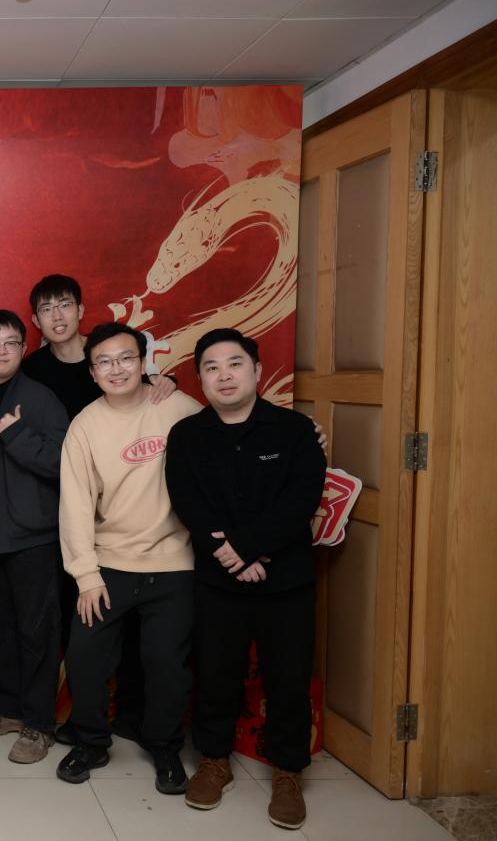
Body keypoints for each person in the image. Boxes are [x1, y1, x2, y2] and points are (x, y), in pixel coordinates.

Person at [165, 328, 326, 831]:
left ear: (256, 370)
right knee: (215, 674)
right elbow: (188, 501)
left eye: (234, 364)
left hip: (286, 580)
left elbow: (301, 500)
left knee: (288, 678)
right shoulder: (187, 435)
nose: (224, 376)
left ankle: (288, 771)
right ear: (201, 379)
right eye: (211, 368)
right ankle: (214, 761)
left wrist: (248, 547)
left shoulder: (296, 431)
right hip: (219, 580)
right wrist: (231, 556)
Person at [21, 274, 176, 744]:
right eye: (46, 309)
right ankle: (82, 717)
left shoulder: (111, 354)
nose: (57, 316)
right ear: (36, 320)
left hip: (130, 509)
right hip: (64, 508)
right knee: (82, 615)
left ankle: (132, 713)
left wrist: (165, 381)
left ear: (81, 309)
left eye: (65, 304)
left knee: (138, 625)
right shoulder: (33, 370)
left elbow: (154, 399)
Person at [56, 321, 201, 794]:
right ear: (92, 372)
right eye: (104, 362)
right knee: (85, 656)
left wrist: (305, 436)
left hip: (173, 562)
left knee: (167, 665)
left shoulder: (177, 407)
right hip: (110, 563)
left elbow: (227, 440)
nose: (116, 369)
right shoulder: (85, 425)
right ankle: (92, 741)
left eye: (125, 358)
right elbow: (75, 505)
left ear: (143, 362)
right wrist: (86, 575)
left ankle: (165, 747)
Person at [0, 310, 69, 764]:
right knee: (0, 627)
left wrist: (19, 435)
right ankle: (9, 710)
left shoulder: (41, 398)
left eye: (10, 343)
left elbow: (65, 462)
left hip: (32, 534)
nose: (1, 350)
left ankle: (39, 723)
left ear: (24, 349)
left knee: (37, 631)